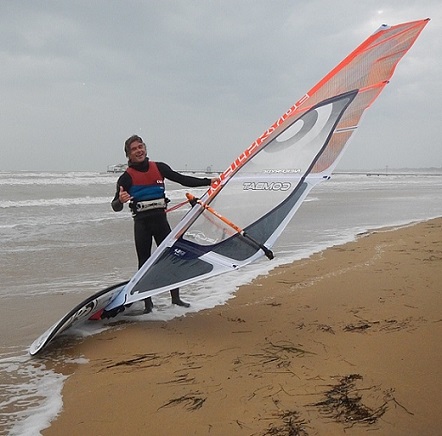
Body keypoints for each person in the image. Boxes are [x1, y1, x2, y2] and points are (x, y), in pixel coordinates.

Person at [111, 134, 218, 314]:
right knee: (144, 263)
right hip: (142, 224)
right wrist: (120, 200)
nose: (139, 150)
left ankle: (175, 299)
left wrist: (209, 181)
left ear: (145, 148)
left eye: (141, 146)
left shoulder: (159, 168)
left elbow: (183, 179)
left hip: (161, 222)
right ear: (128, 155)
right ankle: (147, 304)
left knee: (170, 259)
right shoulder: (126, 178)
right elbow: (115, 206)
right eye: (134, 149)